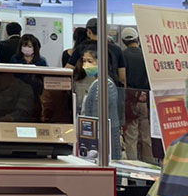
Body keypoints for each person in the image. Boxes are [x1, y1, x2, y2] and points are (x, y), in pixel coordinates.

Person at [81, 48, 122, 160]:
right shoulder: (97, 83)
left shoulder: (104, 84)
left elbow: (97, 116)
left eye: (90, 61)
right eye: (84, 61)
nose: (85, 65)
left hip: (104, 136)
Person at [122, 27, 155, 163]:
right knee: (146, 135)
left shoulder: (123, 56)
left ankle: (133, 167)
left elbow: (122, 79)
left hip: (130, 99)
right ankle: (150, 165)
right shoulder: (146, 55)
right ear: (137, 39)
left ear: (123, 41)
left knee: (131, 136)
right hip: (146, 99)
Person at [66, 18, 126, 87]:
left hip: (85, 88)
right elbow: (122, 78)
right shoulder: (116, 49)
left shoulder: (81, 48)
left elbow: (68, 70)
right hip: (109, 88)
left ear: (89, 31)